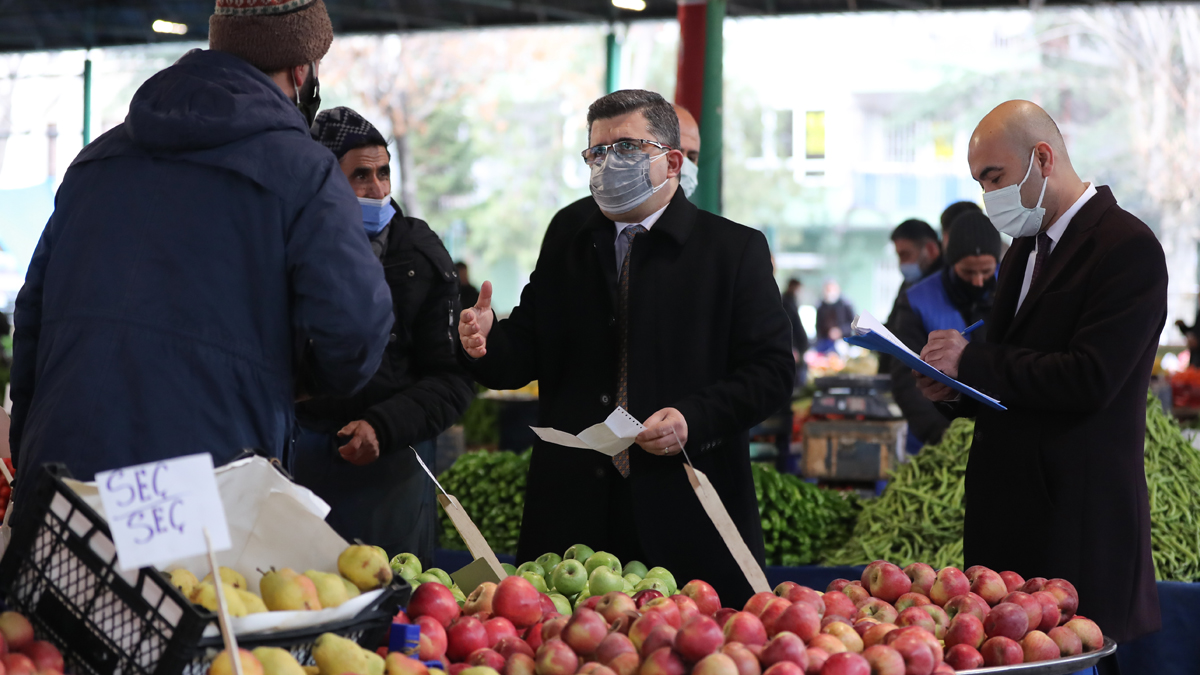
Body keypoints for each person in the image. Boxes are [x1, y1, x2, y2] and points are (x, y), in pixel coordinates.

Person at [8, 0, 392, 498]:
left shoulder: (95, 162)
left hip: (64, 472)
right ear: (302, 70)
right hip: (198, 483)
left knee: (82, 579)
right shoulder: (305, 172)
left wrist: (28, 449)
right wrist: (298, 380)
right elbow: (357, 327)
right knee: (180, 582)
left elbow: (31, 318)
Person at [457, 90, 792, 607]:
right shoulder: (570, 234)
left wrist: (692, 419)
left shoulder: (731, 251)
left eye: (628, 148)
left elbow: (770, 373)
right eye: (597, 152)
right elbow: (524, 351)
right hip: (573, 516)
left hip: (686, 507)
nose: (609, 164)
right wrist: (484, 342)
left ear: (672, 161)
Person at [919, 100, 1165, 660]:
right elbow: (1014, 372)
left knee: (1073, 664)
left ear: (1043, 158)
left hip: (1076, 524)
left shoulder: (1126, 247)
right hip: (1008, 519)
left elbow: (1090, 377)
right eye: (979, 181)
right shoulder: (1027, 247)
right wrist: (953, 390)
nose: (987, 195)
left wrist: (972, 361)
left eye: (994, 177)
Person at [292, 107, 474, 565]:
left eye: (383, 173)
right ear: (324, 181)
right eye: (360, 176)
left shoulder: (419, 254)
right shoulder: (285, 247)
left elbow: (452, 380)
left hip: (390, 470)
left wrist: (383, 425)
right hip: (299, 467)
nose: (378, 190)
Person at [890, 212, 999, 449]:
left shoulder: (1014, 292)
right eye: (968, 272)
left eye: (987, 271)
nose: (979, 281)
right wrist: (942, 436)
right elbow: (905, 377)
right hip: (936, 434)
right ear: (951, 262)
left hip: (1001, 433)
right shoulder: (916, 300)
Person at [882, 219, 944, 372]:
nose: (901, 263)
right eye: (899, 256)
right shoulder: (908, 285)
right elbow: (895, 325)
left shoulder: (944, 287)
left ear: (930, 249)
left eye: (905, 254)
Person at [781, 279, 809, 389]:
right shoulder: (785, 303)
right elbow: (787, 327)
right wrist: (792, 347)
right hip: (793, 349)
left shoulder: (791, 301)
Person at [815, 280, 854, 353]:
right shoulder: (821, 307)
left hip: (844, 342)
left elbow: (853, 324)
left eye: (832, 289)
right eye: (828, 290)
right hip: (825, 342)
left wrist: (840, 331)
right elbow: (818, 326)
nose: (830, 292)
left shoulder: (845, 305)